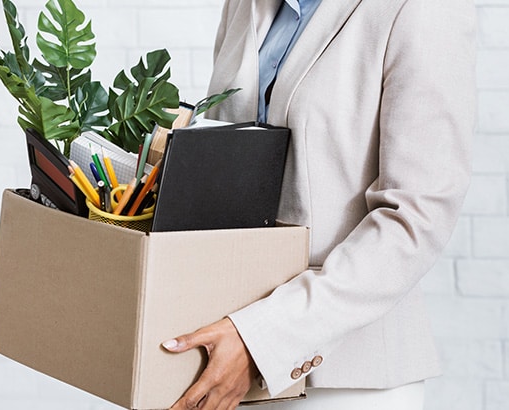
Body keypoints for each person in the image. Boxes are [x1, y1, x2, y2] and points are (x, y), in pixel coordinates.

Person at [162, 0, 476, 408]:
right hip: (227, 363)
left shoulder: (421, 8)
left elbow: (415, 219)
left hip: (344, 383)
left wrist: (262, 337)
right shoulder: (244, 4)